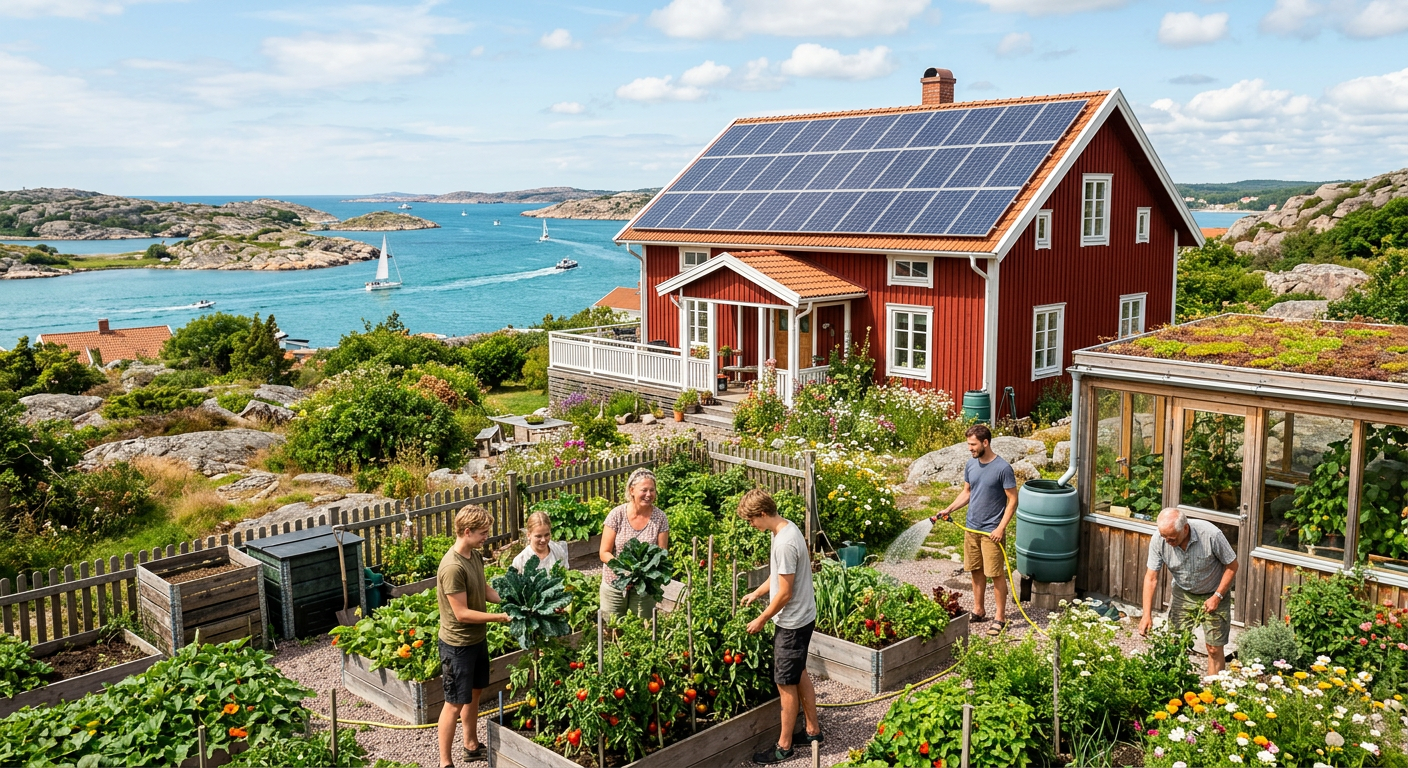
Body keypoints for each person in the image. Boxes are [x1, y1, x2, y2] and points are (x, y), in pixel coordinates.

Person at [739, 489, 822, 765]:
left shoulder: (785, 543)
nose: (751, 525)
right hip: (803, 617)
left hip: (792, 623)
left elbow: (785, 593)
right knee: (799, 673)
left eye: (751, 520)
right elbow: (779, 577)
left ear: (762, 514)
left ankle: (784, 747)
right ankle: (812, 731)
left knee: (785, 683)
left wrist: (762, 619)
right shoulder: (785, 529)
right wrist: (758, 593)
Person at [436, 505, 510, 768]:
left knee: (475, 693)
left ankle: (470, 745)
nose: (486, 537)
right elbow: (462, 614)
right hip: (457, 645)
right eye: (482, 533)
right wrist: (500, 618)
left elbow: (484, 587)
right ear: (466, 532)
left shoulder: (474, 556)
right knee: (454, 703)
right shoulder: (453, 567)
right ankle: (445, 762)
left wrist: (507, 601)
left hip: (477, 640)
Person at [929, 423, 1018, 636]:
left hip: (991, 533)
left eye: (973, 444)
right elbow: (967, 492)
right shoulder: (971, 465)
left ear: (985, 443)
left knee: (995, 574)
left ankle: (1000, 618)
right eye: (968, 444)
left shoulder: (1003, 468)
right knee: (976, 570)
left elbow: (1013, 500)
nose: (970, 448)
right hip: (972, 528)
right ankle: (979, 610)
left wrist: (1000, 528)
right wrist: (948, 509)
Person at [1139, 507, 1238, 676]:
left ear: (1185, 529)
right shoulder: (1159, 539)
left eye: (1172, 538)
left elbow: (1232, 566)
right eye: (1164, 536)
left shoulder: (1211, 535)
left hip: (1214, 593)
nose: (1167, 541)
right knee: (1175, 642)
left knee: (1214, 648)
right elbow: (1151, 578)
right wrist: (1146, 615)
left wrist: (1218, 596)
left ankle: (1213, 692)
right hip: (1183, 593)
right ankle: (1175, 687)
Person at [598, 468, 669, 618]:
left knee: (643, 628)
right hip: (615, 582)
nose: (649, 495)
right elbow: (604, 553)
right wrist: (624, 572)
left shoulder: (660, 518)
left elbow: (661, 554)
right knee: (613, 628)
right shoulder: (617, 514)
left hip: (644, 585)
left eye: (652, 490)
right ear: (632, 490)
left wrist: (641, 575)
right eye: (644, 490)